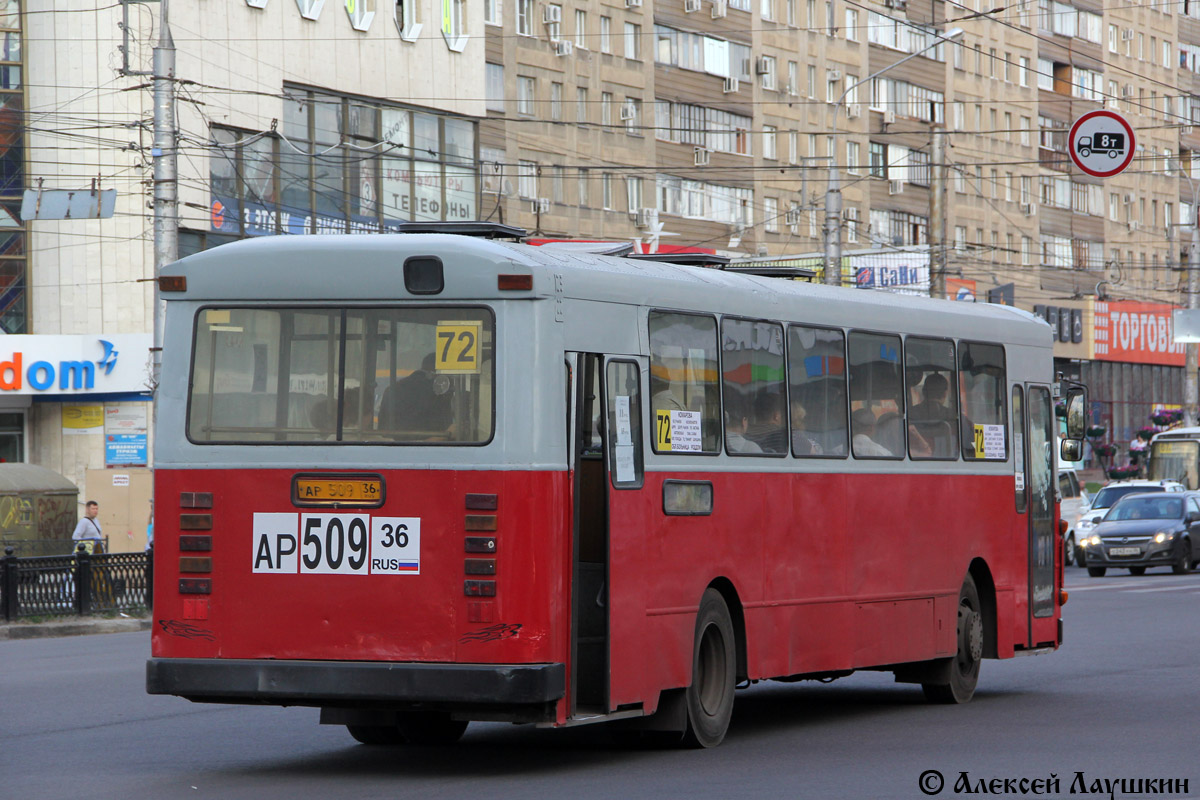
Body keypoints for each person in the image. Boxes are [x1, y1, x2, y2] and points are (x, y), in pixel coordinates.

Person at [378, 353, 453, 439]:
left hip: (391, 448)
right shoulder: (439, 392)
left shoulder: (392, 389)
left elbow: (382, 430)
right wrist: (451, 432)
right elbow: (443, 429)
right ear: (442, 373)